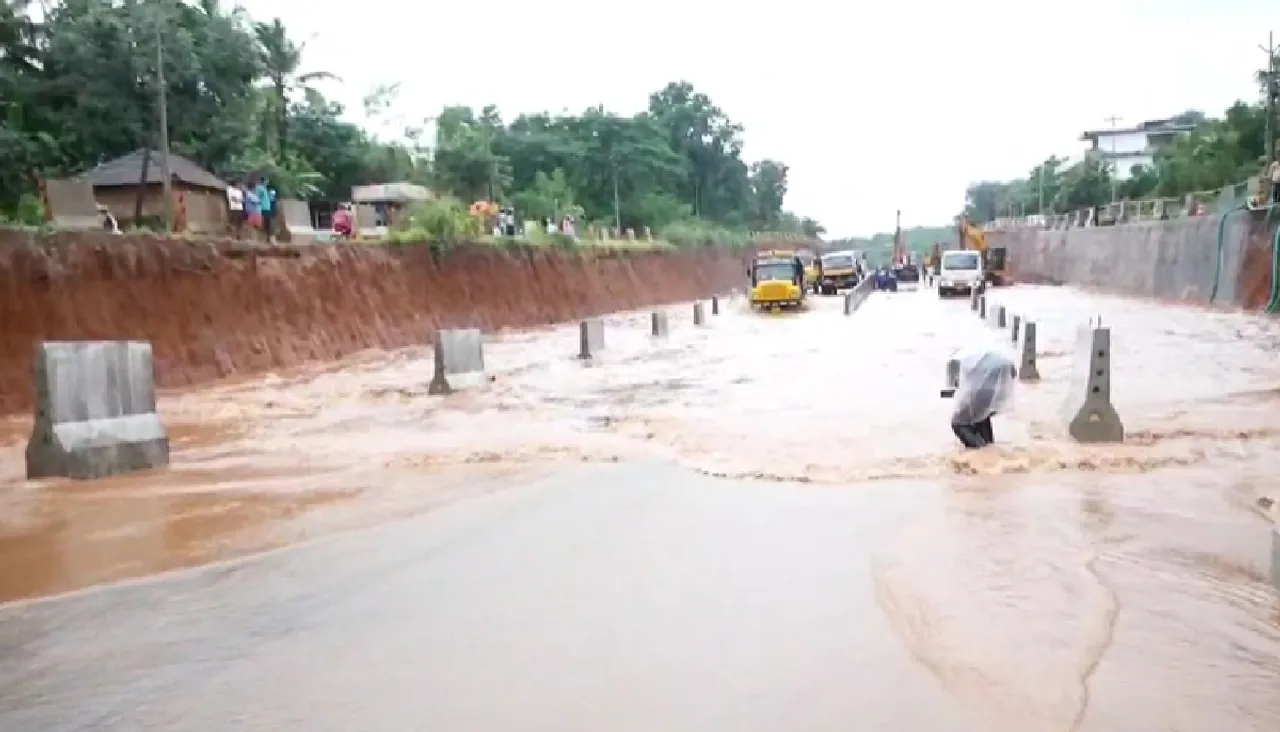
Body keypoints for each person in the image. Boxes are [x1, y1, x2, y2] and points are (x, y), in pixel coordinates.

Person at [950, 348, 1016, 449]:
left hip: (981, 391)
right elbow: (1013, 372)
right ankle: (990, 448)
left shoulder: (961, 360)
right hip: (998, 392)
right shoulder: (989, 356)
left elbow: (957, 385)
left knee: (958, 423)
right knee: (981, 417)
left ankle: (980, 451)